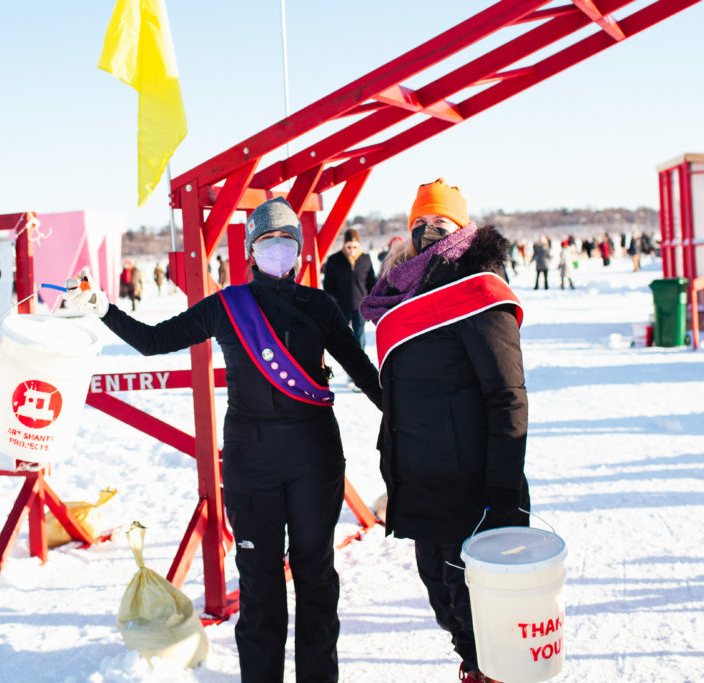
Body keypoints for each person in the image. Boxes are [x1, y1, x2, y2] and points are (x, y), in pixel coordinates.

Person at [65, 197, 382, 682]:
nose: (278, 249)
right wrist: (103, 308)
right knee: (259, 587)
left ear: (298, 250)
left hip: (314, 459)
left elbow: (365, 374)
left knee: (317, 580)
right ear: (251, 251)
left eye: (287, 241)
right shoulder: (226, 307)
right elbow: (153, 341)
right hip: (250, 462)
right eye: (267, 241)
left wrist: (410, 418)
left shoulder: (320, 305)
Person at [360, 178, 530, 683]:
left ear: (462, 228)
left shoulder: (478, 291)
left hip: (473, 490)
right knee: (448, 608)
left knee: (485, 616)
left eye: (442, 223)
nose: (430, 231)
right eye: (420, 223)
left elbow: (508, 398)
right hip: (422, 487)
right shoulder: (401, 294)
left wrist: (501, 495)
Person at [322, 227, 376, 347]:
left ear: (359, 245)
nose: (352, 250)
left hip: (360, 307)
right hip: (341, 307)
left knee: (360, 341)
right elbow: (328, 287)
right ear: (344, 245)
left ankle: (361, 364)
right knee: (343, 341)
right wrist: (334, 304)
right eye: (349, 247)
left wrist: (370, 304)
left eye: (355, 247)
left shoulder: (365, 259)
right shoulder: (334, 260)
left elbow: (372, 283)